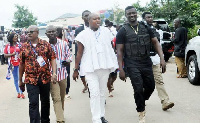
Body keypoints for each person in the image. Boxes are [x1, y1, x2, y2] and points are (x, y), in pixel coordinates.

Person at [116, 6, 166, 123]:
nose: (132, 15)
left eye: (133, 13)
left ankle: (141, 100)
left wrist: (162, 59)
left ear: (136, 13)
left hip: (146, 62)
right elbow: (119, 51)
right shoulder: (122, 31)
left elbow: (155, 42)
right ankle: (141, 112)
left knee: (151, 86)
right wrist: (121, 69)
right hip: (132, 63)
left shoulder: (146, 27)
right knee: (138, 88)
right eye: (129, 14)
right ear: (126, 15)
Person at [73, 13, 118, 123]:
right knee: (94, 93)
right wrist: (75, 69)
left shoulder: (106, 32)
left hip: (104, 66)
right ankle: (96, 119)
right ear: (89, 21)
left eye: (99, 18)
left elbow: (112, 48)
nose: (98, 20)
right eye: (95, 19)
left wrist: (114, 64)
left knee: (102, 92)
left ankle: (102, 116)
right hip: (90, 68)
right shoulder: (83, 35)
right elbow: (79, 53)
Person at [19, 25, 57, 123]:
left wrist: (54, 73)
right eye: (27, 32)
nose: (29, 34)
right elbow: (21, 64)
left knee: (45, 102)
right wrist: (20, 80)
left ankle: (45, 121)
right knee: (33, 103)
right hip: (30, 79)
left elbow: (52, 58)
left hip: (45, 78)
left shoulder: (45, 44)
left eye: (31, 32)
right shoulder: (24, 47)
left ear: (37, 33)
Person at [142, 12, 174, 111]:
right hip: (143, 61)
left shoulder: (157, 31)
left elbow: (158, 45)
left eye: (151, 17)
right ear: (143, 18)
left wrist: (162, 59)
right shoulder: (140, 30)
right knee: (145, 83)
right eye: (148, 17)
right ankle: (141, 99)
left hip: (155, 59)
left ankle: (165, 101)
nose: (150, 19)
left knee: (159, 80)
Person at [46, 25, 72, 123]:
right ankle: (60, 120)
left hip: (63, 74)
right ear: (46, 34)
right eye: (49, 32)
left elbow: (69, 56)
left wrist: (68, 61)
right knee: (56, 98)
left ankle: (60, 113)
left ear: (57, 33)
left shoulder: (64, 44)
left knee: (61, 98)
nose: (51, 33)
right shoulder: (45, 46)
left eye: (53, 32)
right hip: (52, 76)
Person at [74, 10, 91, 93]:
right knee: (82, 74)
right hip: (83, 55)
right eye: (85, 15)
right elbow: (77, 47)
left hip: (93, 56)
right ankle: (86, 85)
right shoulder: (78, 30)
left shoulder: (96, 28)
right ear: (82, 18)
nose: (87, 17)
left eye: (89, 15)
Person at [4, 33, 25, 98]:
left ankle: (22, 92)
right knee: (16, 79)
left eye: (16, 36)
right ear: (11, 38)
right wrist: (11, 54)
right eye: (15, 36)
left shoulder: (20, 45)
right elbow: (5, 55)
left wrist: (20, 55)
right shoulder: (8, 46)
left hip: (20, 64)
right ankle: (18, 92)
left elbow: (24, 53)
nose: (16, 38)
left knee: (20, 78)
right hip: (12, 65)